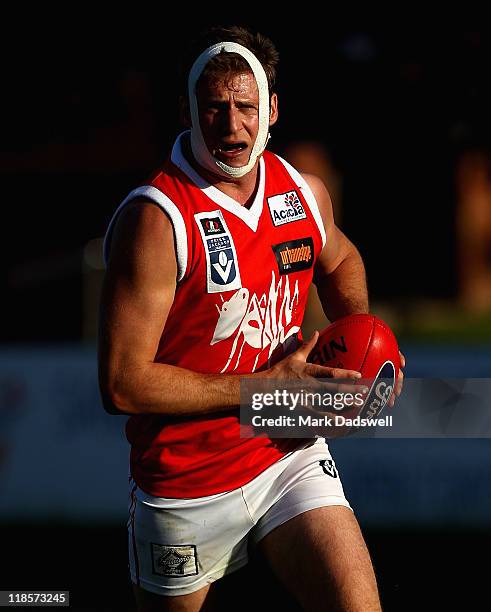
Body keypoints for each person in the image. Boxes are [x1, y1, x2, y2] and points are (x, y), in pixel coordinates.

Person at [98, 25, 404, 611]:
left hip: (285, 454)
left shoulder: (302, 192)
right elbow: (121, 383)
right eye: (214, 107)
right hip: (184, 483)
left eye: (246, 106)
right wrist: (264, 389)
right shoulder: (158, 220)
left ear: (273, 109)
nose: (231, 125)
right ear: (189, 111)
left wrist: (365, 341)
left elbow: (340, 260)